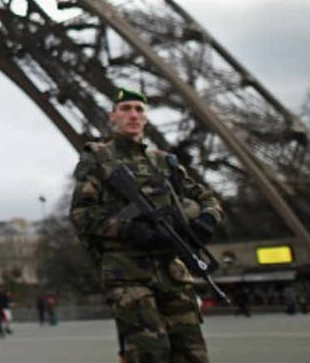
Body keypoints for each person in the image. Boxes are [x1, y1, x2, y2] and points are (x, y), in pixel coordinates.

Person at [70, 87, 223, 363]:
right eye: (126, 108)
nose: (133, 115)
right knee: (150, 353)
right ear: (112, 117)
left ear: (146, 118)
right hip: (128, 272)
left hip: (171, 270)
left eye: (139, 109)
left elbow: (206, 197)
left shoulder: (164, 162)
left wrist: (207, 219)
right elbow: (82, 215)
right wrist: (128, 229)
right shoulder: (98, 160)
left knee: (193, 353)